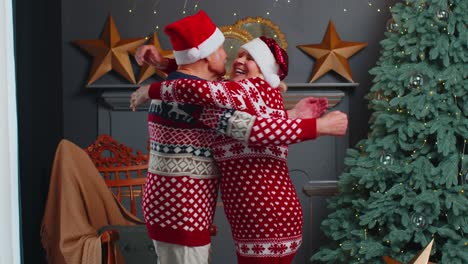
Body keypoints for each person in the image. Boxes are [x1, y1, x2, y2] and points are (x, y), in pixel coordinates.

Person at [132, 33, 348, 263]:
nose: (236, 60)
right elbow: (201, 82)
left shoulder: (247, 90)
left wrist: (152, 90)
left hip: (264, 210)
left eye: (250, 57)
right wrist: (165, 64)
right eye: (239, 54)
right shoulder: (252, 94)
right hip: (263, 211)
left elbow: (248, 125)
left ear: (264, 69)